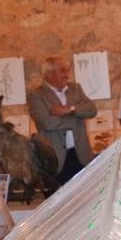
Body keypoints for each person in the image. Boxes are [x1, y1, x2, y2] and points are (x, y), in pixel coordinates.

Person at [28, 56, 96, 185]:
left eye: (67, 70)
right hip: (56, 158)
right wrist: (75, 119)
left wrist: (70, 109)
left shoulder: (76, 88)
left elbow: (92, 110)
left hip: (81, 154)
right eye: (62, 71)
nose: (67, 75)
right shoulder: (37, 95)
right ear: (49, 74)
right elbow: (46, 123)